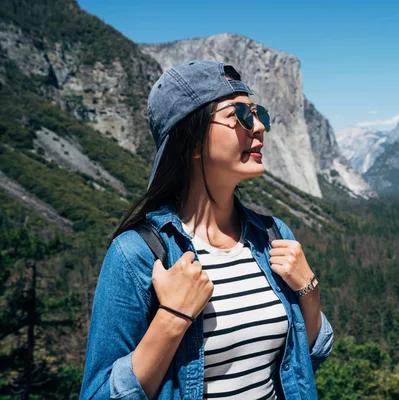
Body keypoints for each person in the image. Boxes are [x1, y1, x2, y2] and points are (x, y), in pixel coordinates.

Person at [80, 60, 334, 399]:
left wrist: (309, 292)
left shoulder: (274, 237)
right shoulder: (137, 255)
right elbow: (97, 393)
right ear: (193, 142)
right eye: (240, 116)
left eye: (259, 115)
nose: (259, 127)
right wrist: (172, 318)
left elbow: (306, 360)